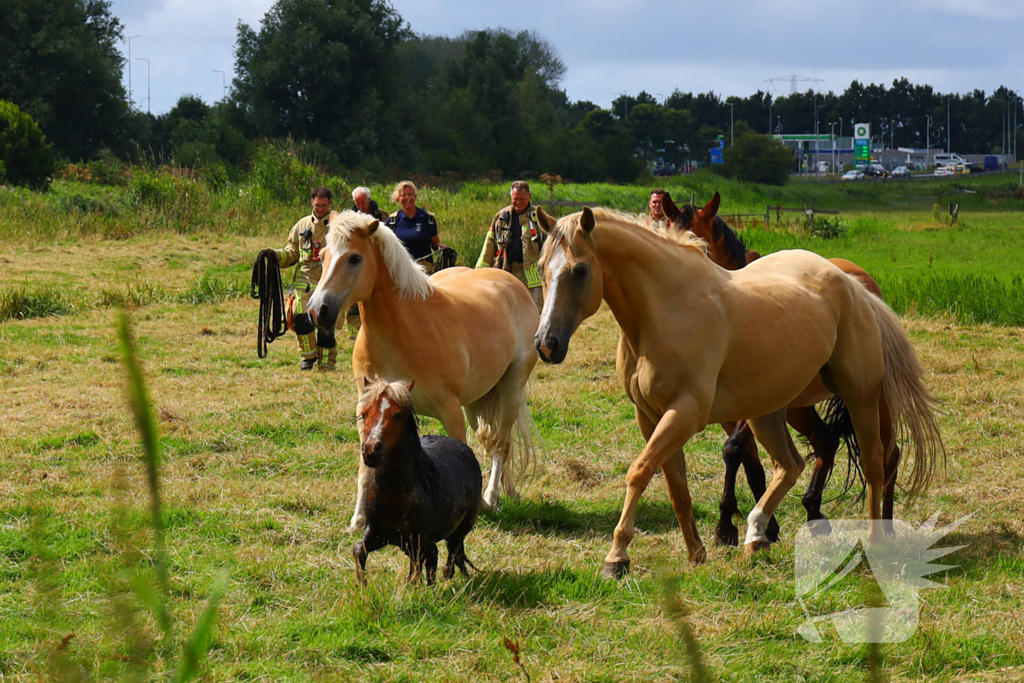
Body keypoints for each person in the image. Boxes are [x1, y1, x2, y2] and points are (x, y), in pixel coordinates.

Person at [274, 186, 337, 371]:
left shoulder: (338, 225)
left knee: (325, 323)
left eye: (324, 206)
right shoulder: (301, 226)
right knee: (300, 318)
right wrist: (275, 256)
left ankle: (327, 362)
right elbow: (292, 252)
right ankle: (308, 357)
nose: (320, 209)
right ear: (312, 202)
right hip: (305, 279)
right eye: (317, 205)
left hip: (328, 280)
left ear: (330, 203)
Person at [475, 180, 545, 310]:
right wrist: (478, 274)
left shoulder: (539, 218)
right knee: (507, 311)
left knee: (534, 312)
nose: (518, 202)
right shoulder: (501, 217)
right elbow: (489, 245)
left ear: (529, 197)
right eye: (515, 199)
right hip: (506, 273)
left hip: (532, 278)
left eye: (522, 199)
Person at [346, 187, 387, 336]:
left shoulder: (382, 216)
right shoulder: (350, 219)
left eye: (362, 203)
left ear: (369, 200)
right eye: (357, 203)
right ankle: (356, 330)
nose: (360, 207)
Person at [383, 180, 441, 274]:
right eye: (403, 195)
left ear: (415, 196)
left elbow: (435, 244)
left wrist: (440, 248)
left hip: (424, 270)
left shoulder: (427, 218)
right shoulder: (392, 221)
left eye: (410, 194)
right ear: (398, 198)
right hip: (400, 271)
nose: (407, 198)